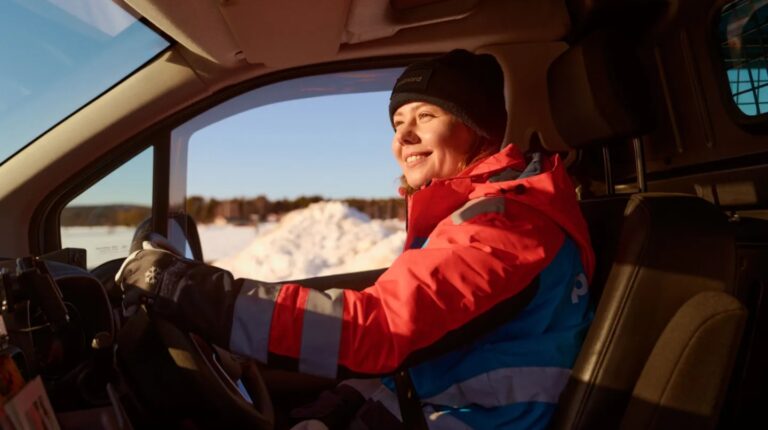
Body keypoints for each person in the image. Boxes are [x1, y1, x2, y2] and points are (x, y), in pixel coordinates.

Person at [117, 49, 595, 429]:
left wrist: (189, 292)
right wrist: (340, 407)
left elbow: (377, 329)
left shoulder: (507, 225)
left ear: (475, 130)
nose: (403, 137)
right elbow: (421, 353)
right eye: (397, 122)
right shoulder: (472, 215)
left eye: (426, 116)